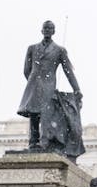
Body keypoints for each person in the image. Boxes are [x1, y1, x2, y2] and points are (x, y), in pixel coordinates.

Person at [17, 20, 81, 148]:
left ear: (54, 31)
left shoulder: (59, 50)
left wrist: (76, 89)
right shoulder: (32, 48)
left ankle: (45, 141)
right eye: (45, 28)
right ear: (41, 30)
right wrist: (33, 81)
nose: (47, 30)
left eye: (50, 28)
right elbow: (26, 70)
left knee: (46, 113)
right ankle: (33, 142)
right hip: (34, 84)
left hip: (49, 85)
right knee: (34, 114)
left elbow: (68, 71)